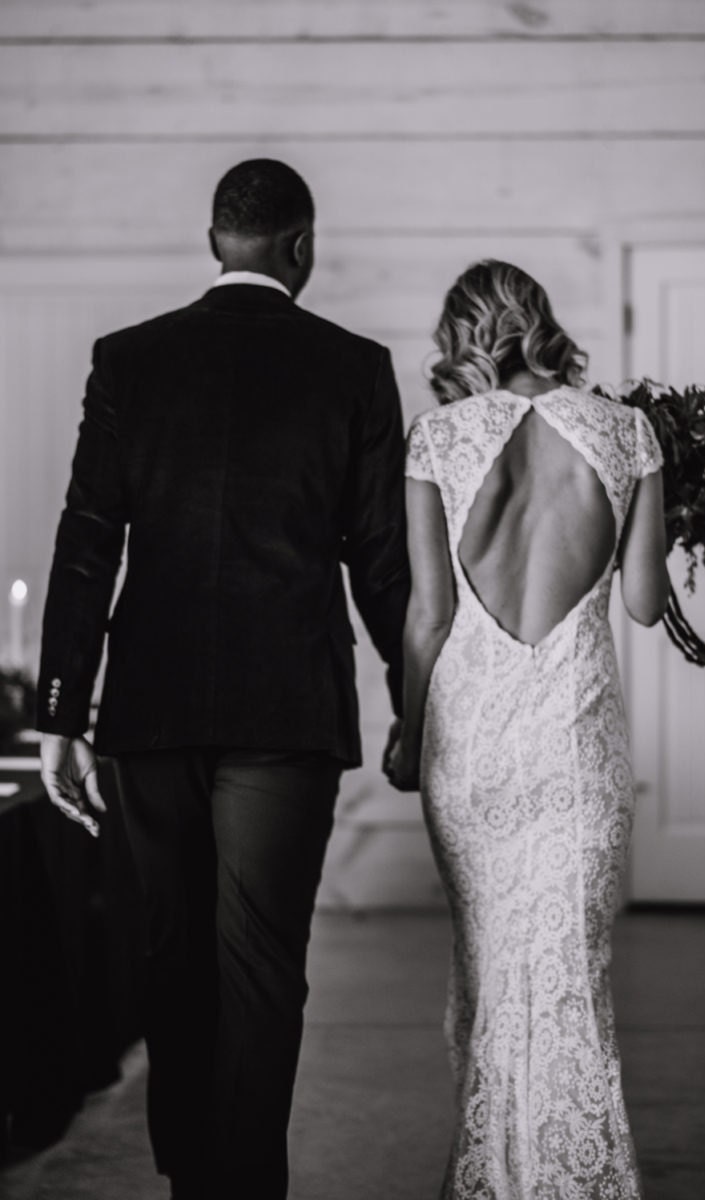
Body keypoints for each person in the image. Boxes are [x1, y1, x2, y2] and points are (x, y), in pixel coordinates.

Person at [36, 159, 410, 1200]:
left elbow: (85, 543)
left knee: (170, 955)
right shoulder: (354, 368)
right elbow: (382, 562)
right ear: (302, 247)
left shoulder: (129, 361)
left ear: (214, 245)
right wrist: (422, 697)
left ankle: (191, 1179)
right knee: (259, 966)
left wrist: (59, 714)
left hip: (149, 707)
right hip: (286, 712)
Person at [385, 260, 669, 1199]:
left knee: (491, 972)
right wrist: (660, 520)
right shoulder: (628, 430)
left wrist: (405, 729)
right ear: (541, 322)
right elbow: (638, 604)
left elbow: (426, 619)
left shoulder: (435, 438)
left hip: (468, 747)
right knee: (566, 984)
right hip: (576, 742)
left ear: (463, 334)